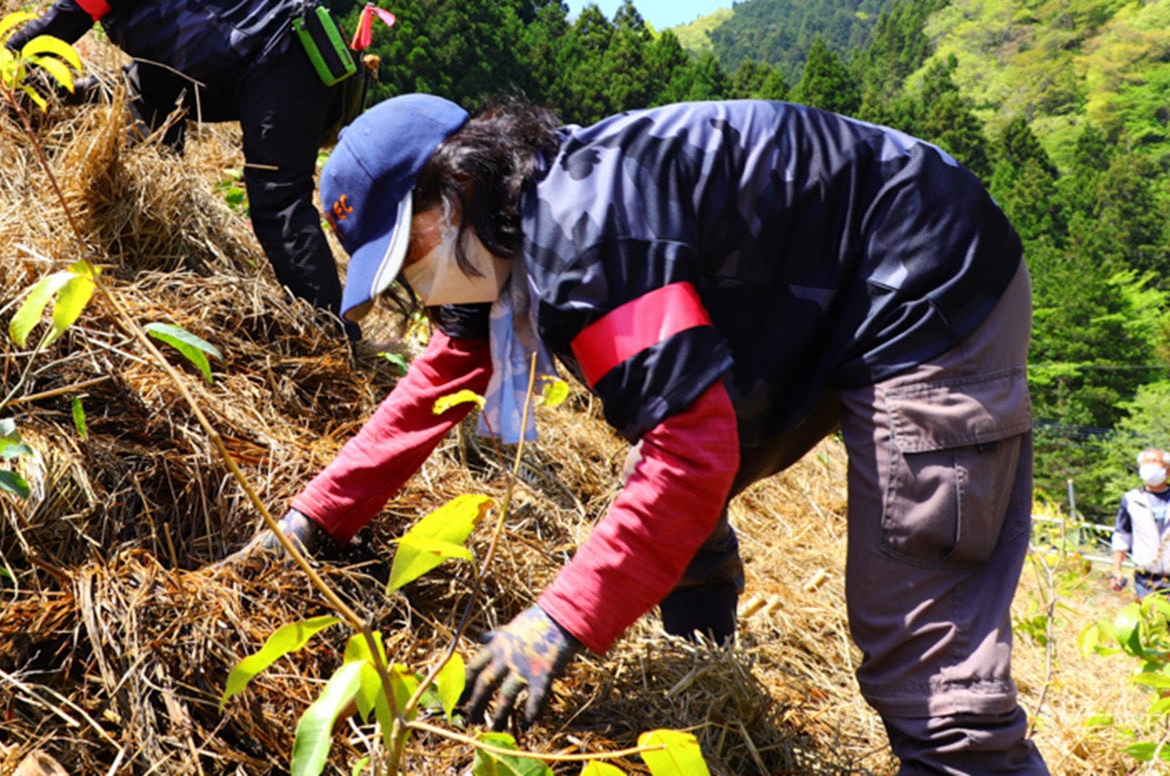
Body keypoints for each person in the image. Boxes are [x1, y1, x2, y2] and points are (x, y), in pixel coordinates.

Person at [234, 94, 1047, 775]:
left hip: (928, 274)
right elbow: (432, 391)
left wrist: (555, 623)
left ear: (456, 188)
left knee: (920, 646)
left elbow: (690, 456)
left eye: (405, 251)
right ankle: (708, 661)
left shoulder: (586, 235)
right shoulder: (504, 240)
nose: (411, 281)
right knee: (676, 450)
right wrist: (310, 523)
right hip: (810, 300)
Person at [0, 0, 360, 334]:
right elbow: (143, 82)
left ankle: (335, 339)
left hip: (282, 52)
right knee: (150, 97)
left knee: (276, 203)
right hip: (251, 65)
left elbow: (63, 23)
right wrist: (59, 92)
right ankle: (167, 256)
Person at [1110, 449, 1170, 598]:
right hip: (1146, 579)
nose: (1151, 466)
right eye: (1146, 462)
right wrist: (1117, 570)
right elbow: (1122, 536)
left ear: (1167, 470)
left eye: (1155, 461)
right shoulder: (1132, 499)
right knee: (1149, 620)